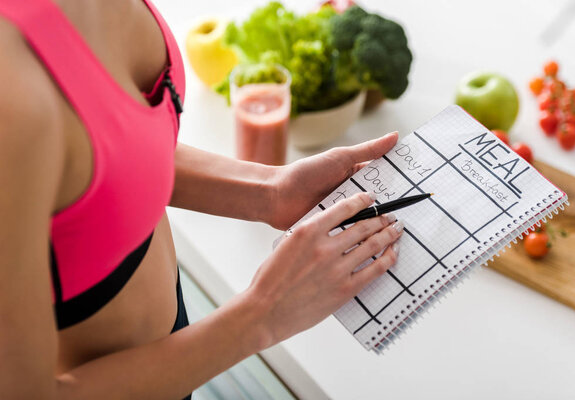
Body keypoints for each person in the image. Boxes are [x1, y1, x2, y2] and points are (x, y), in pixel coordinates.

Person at [0, 0, 404, 398]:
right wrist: (263, 314)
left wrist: (269, 191)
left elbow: (106, 149)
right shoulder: (11, 90)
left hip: (176, 357)